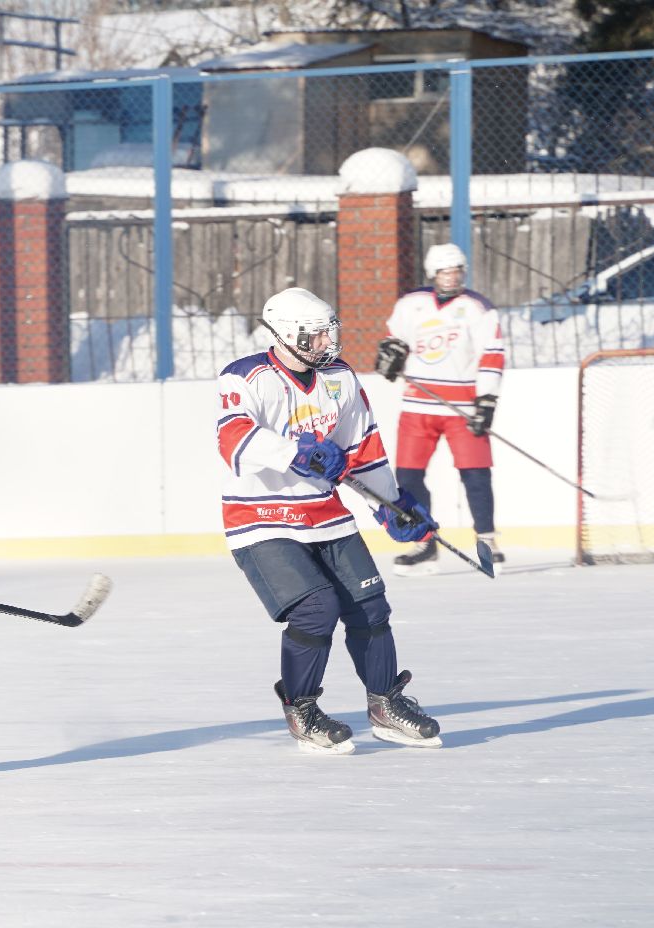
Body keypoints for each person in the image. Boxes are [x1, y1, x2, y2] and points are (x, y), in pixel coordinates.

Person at [217, 287, 444, 754]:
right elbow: (234, 438)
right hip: (261, 519)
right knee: (315, 608)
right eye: (315, 336)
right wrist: (294, 453)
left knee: (370, 606)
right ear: (284, 334)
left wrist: (392, 505)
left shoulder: (340, 379)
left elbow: (362, 449)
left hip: (326, 516)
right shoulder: (246, 376)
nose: (326, 343)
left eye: (329, 333)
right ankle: (301, 708)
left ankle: (386, 704)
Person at [375, 243, 507, 574]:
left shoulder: (478, 308)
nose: (452, 277)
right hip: (418, 406)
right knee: (408, 475)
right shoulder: (411, 305)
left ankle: (487, 539)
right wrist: (390, 355)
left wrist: (486, 399)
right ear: (433, 274)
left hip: (461, 406)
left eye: (457, 271)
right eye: (445, 272)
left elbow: (491, 354)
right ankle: (425, 540)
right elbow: (395, 339)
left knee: (475, 474)